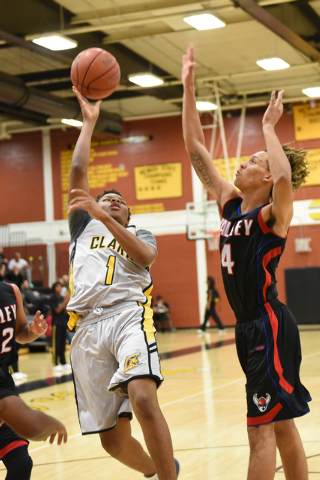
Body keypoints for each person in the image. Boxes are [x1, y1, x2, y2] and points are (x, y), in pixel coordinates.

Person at [182, 43, 310, 480]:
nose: (242, 163)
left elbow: (285, 179)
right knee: (282, 425)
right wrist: (187, 86)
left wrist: (269, 130)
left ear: (268, 176)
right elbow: (196, 148)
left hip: (267, 324)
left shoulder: (273, 216)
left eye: (253, 161)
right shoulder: (229, 205)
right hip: (246, 326)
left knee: (261, 433)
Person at [66, 86, 179, 480]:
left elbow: (146, 259)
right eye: (106, 197)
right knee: (112, 441)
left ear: (129, 214)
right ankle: (160, 470)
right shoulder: (83, 227)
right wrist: (89, 123)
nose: (112, 199)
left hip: (127, 317)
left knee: (144, 399)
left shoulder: (140, 234)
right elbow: (78, 173)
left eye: (119, 200)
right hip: (84, 330)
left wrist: (108, 216)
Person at [0, 281, 67, 450]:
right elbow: (32, 427)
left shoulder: (11, 290)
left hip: (4, 377)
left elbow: (20, 331)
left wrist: (33, 332)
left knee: (21, 462)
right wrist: (53, 424)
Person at [49, 282, 70, 373]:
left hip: (63, 323)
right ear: (54, 288)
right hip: (56, 324)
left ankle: (63, 362)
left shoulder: (62, 298)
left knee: (62, 344)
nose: (59, 288)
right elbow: (57, 310)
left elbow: (64, 310)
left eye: (60, 286)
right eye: (57, 286)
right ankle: (55, 363)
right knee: (56, 344)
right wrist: (64, 302)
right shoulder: (52, 298)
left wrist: (66, 302)